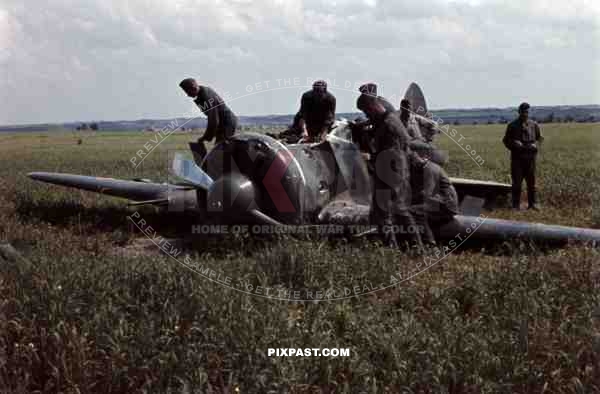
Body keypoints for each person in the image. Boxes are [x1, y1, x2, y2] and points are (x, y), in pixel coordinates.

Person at [357, 92, 423, 251]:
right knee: (399, 210)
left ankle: (390, 248)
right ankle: (416, 246)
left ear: (372, 107)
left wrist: (371, 157)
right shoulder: (389, 118)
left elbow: (389, 153)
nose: (366, 115)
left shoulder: (389, 124)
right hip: (396, 170)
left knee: (383, 212)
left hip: (390, 171)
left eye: (366, 111)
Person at [409, 146, 459, 245]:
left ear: (423, 157)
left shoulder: (430, 169)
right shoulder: (422, 168)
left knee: (415, 212)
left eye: (413, 159)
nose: (412, 162)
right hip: (439, 202)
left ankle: (429, 242)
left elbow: (426, 194)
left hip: (446, 205)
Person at [502, 102, 543, 210]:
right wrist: (514, 143)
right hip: (517, 159)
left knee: (531, 183)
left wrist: (536, 145)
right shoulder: (512, 125)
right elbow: (506, 141)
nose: (525, 114)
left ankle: (532, 204)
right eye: (523, 112)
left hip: (530, 159)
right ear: (519, 112)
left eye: (527, 112)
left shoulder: (534, 125)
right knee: (517, 184)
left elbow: (540, 139)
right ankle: (515, 205)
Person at [179, 78, 238, 145]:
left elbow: (214, 121)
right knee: (221, 148)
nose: (188, 95)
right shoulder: (202, 94)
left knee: (220, 150)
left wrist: (205, 137)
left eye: (187, 91)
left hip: (227, 123)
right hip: (223, 123)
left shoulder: (207, 96)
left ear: (193, 87)